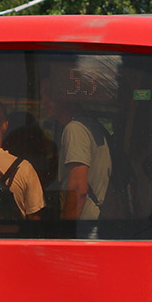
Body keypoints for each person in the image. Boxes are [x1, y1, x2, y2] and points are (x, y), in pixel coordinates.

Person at [41, 74, 112, 226]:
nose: (43, 101)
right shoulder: (90, 125)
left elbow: (78, 189)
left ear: (66, 97)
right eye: (42, 95)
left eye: (49, 94)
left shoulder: (74, 130)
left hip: (82, 224)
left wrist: (66, 231)